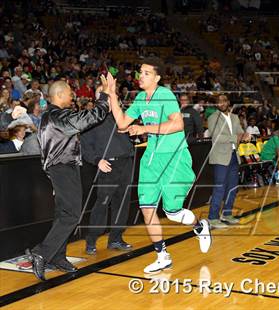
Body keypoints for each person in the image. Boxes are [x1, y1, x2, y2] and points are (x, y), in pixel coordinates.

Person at [106, 58, 211, 274]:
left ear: (157, 77)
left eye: (146, 73)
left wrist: (145, 129)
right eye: (140, 72)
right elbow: (122, 123)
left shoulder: (164, 95)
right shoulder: (140, 99)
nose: (140, 76)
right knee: (147, 209)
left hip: (173, 157)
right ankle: (162, 256)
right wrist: (112, 95)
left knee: (172, 212)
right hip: (151, 160)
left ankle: (200, 226)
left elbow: (177, 124)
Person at [25, 77, 110, 281]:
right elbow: (91, 117)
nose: (73, 97)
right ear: (60, 95)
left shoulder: (47, 117)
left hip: (58, 168)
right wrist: (104, 97)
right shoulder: (59, 116)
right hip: (64, 167)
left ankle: (57, 257)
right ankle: (42, 253)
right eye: (70, 93)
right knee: (72, 215)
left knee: (63, 213)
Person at [81, 96, 135, 255]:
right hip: (108, 166)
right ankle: (91, 240)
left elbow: (127, 136)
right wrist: (97, 160)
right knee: (102, 204)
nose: (115, 103)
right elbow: (85, 148)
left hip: (125, 163)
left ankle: (116, 239)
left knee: (122, 203)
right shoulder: (91, 120)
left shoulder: (120, 117)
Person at [207, 94, 251, 228]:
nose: (222, 103)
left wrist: (245, 135)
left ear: (228, 102)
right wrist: (236, 137)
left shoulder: (235, 117)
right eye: (219, 101)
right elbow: (217, 137)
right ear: (216, 104)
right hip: (220, 157)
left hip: (234, 156)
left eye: (224, 100)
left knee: (232, 187)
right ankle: (212, 217)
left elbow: (241, 133)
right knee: (220, 187)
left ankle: (227, 214)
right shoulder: (212, 118)